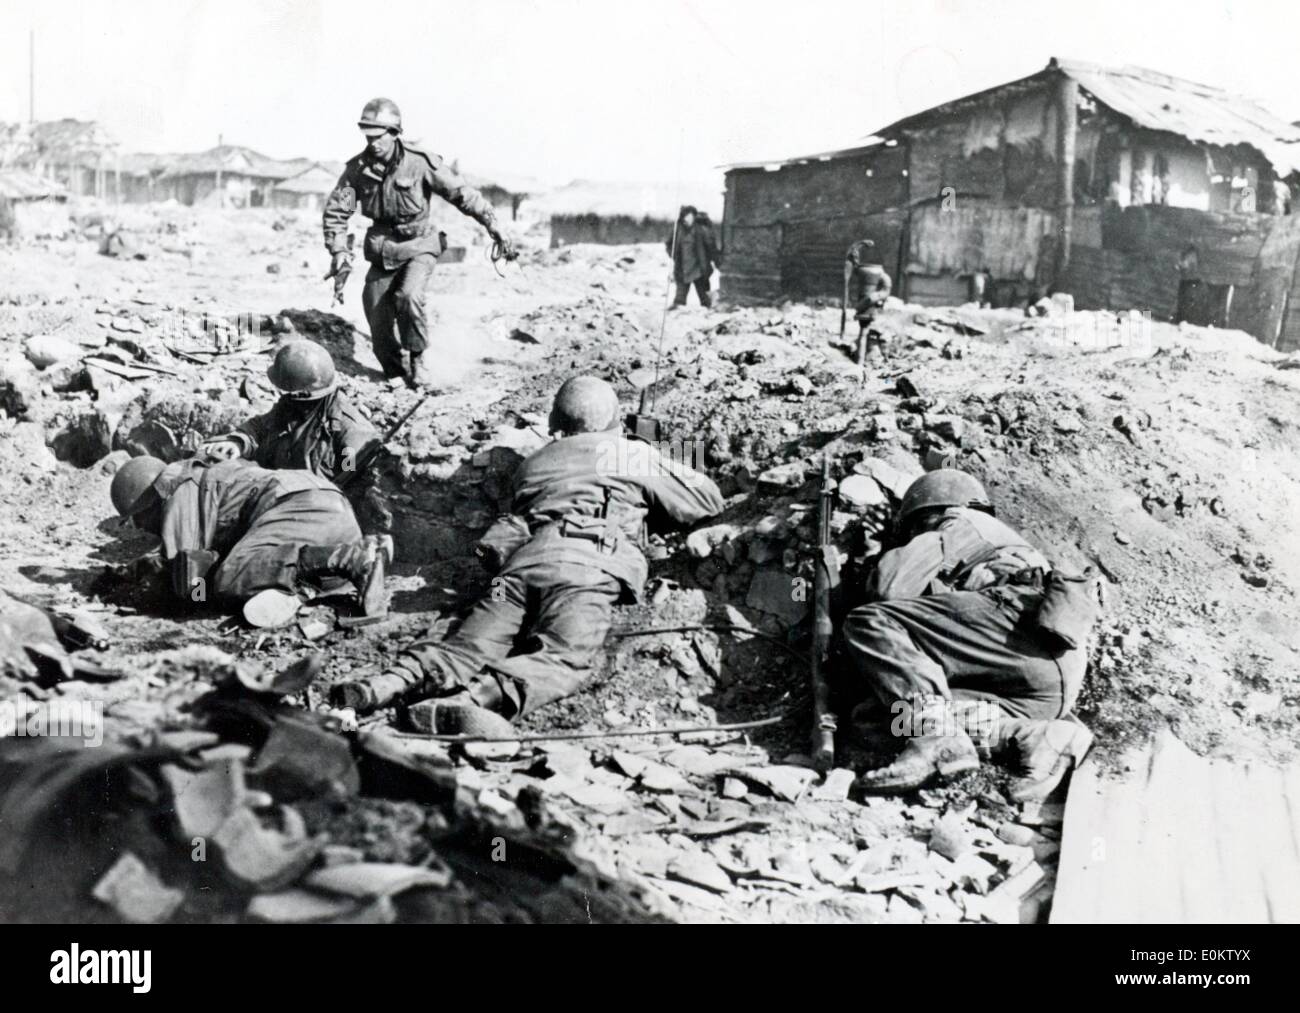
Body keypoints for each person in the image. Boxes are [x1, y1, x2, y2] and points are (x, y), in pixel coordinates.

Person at [330, 375, 725, 735]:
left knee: (468, 643)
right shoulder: (623, 454)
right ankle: (469, 703)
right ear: (614, 421)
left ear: (557, 421)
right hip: (584, 568)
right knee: (563, 656)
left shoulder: (536, 463)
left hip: (515, 573)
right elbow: (707, 498)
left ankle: (386, 684)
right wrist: (653, 454)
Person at [842, 469, 1095, 800]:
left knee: (869, 620)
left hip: (1018, 626)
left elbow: (888, 593)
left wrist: (884, 551)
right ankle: (1034, 738)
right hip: (1043, 685)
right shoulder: (991, 544)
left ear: (926, 515)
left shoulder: (957, 521)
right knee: (881, 718)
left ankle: (934, 735)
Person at [322, 97, 518, 389]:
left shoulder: (420, 163)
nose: (373, 142)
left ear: (394, 132)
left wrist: (493, 224)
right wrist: (338, 250)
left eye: (379, 135)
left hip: (420, 244)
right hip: (383, 249)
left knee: (408, 296)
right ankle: (394, 371)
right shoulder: (357, 171)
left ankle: (418, 360)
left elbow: (461, 194)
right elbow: (339, 210)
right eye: (368, 135)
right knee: (375, 308)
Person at [108, 454, 388, 627]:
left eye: (136, 518)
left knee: (228, 578)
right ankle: (348, 558)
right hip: (332, 508)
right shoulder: (196, 473)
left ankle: (352, 558)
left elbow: (191, 584)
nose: (140, 527)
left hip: (299, 506)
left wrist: (139, 588)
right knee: (309, 578)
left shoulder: (177, 493)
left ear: (148, 503)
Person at [200, 339, 391, 546]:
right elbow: (260, 428)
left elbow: (352, 482)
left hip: (311, 519)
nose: (284, 396)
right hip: (271, 502)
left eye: (288, 391)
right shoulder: (292, 407)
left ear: (303, 394)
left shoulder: (349, 433)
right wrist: (238, 442)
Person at [666, 205, 721, 308]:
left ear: (694, 217)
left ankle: (709, 311)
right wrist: (673, 254)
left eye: (690, 216)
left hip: (698, 268)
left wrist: (717, 261)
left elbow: (711, 247)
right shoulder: (678, 230)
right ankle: (677, 312)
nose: (687, 218)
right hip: (682, 268)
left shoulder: (702, 230)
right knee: (679, 299)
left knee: (705, 298)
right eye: (685, 216)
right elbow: (669, 244)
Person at [849, 244, 892, 360]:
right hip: (867, 308)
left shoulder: (876, 273)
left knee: (865, 334)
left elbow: (884, 291)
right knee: (864, 333)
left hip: (869, 307)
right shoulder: (876, 272)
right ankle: (861, 360)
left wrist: (871, 299)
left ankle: (862, 360)